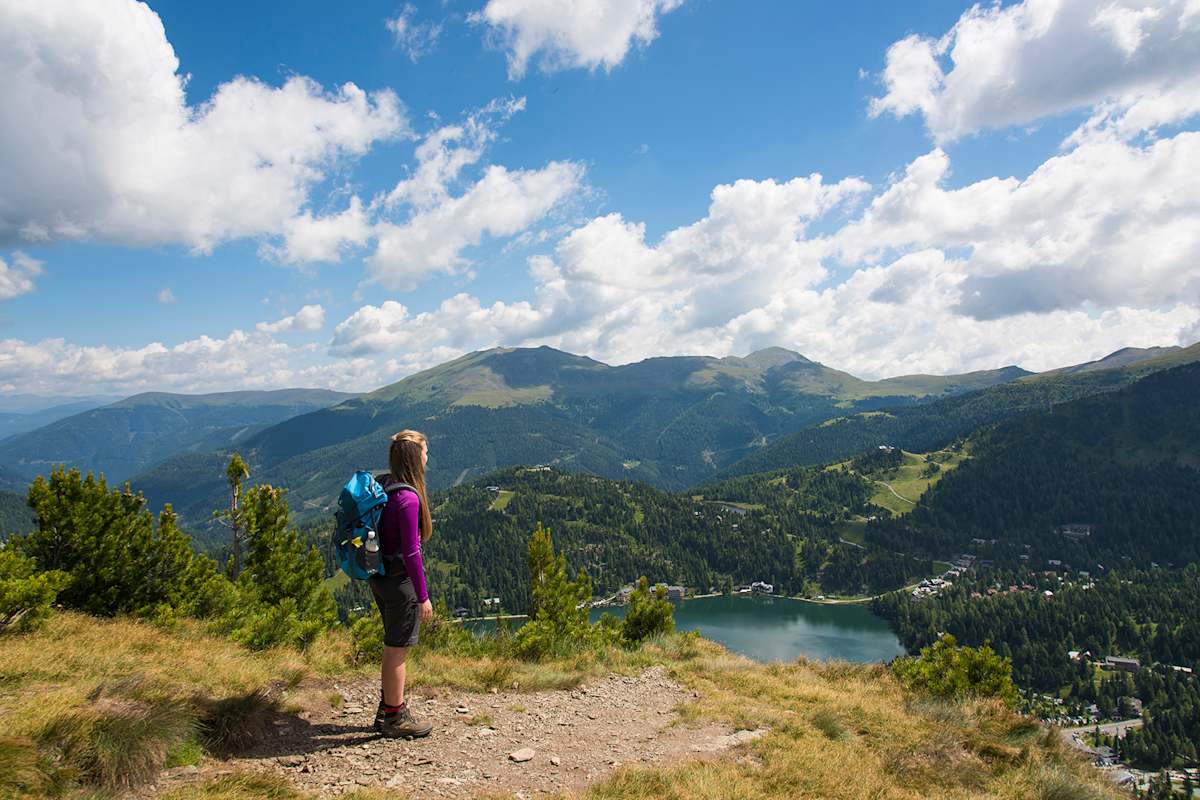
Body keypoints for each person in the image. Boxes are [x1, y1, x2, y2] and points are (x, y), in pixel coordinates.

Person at [370, 429, 435, 738]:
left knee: (391, 645)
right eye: (424, 452)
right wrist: (423, 596)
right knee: (398, 650)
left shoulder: (384, 486)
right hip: (400, 583)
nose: (427, 457)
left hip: (380, 579)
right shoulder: (408, 498)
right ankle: (395, 718)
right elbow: (412, 552)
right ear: (413, 457)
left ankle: (387, 708)